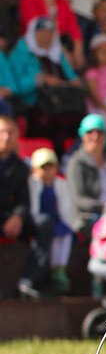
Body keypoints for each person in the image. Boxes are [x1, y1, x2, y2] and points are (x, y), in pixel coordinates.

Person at [8, 16, 87, 151]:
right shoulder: (19, 54)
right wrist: (40, 79)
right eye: (42, 32)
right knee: (49, 124)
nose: (46, 37)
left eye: (50, 33)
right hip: (34, 106)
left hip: (63, 104)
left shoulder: (57, 53)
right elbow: (15, 87)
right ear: (33, 33)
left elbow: (72, 77)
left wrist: (75, 82)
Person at [65, 114, 106, 239]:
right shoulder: (76, 163)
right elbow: (79, 200)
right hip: (89, 217)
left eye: (100, 132)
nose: (95, 136)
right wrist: (104, 207)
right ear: (83, 136)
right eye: (90, 132)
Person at [22, 146, 73, 296]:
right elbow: (33, 210)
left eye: (50, 167)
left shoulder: (61, 184)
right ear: (35, 169)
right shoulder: (32, 183)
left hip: (54, 221)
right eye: (43, 168)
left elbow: (65, 209)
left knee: (65, 235)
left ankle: (59, 269)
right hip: (38, 222)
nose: (47, 172)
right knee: (49, 230)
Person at [17, 0, 84, 71]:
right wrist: (61, 51)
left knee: (77, 62)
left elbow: (74, 29)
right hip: (35, 48)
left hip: (60, 47)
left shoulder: (63, 3)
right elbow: (36, 27)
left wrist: (78, 51)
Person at [0, 114, 33, 297]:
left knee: (42, 225)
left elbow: (23, 200)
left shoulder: (20, 166)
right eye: (2, 132)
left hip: (6, 216)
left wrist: (17, 217)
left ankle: (27, 282)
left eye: (10, 132)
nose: (6, 137)